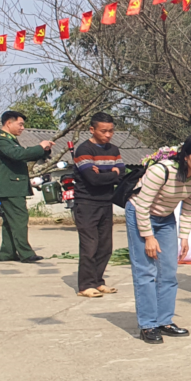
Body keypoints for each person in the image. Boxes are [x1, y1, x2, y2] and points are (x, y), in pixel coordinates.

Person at [126, 134, 191, 344]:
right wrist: (148, 237)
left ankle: (164, 321)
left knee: (168, 272)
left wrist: (183, 237)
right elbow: (143, 205)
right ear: (186, 156)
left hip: (166, 219)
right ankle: (147, 325)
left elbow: (188, 208)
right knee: (146, 271)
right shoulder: (161, 170)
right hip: (140, 214)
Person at [71, 112, 123, 298]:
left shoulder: (114, 149)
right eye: (103, 131)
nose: (108, 135)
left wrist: (104, 172)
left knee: (105, 246)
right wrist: (112, 172)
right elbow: (92, 179)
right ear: (92, 130)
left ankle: (98, 281)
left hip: (106, 202)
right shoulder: (84, 149)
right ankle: (85, 285)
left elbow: (122, 172)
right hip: (86, 203)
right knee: (89, 245)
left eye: (110, 131)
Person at [0, 110, 53, 263]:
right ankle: (26, 253)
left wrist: (43, 150)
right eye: (20, 124)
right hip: (10, 186)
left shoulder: (10, 140)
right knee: (19, 218)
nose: (22, 128)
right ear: (8, 123)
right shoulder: (1, 140)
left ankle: (8, 252)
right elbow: (18, 154)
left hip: (11, 186)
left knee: (10, 221)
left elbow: (22, 154)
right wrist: (39, 147)